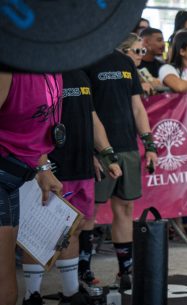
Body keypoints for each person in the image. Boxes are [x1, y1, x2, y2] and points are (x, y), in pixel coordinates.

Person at [20, 69, 123, 305]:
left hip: (81, 166)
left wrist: (107, 154)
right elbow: (31, 122)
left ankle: (70, 292)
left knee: (73, 228)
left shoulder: (81, 74)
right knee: (39, 231)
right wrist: (42, 165)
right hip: (51, 168)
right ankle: (31, 295)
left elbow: (92, 118)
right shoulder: (39, 74)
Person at [83, 34, 162, 290]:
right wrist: (94, 150)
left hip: (128, 146)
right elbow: (85, 110)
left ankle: (124, 272)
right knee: (89, 212)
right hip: (97, 148)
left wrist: (149, 144)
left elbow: (137, 107)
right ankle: (82, 271)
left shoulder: (125, 62)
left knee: (125, 209)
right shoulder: (84, 60)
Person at [0, 72, 65, 305]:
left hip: (15, 178)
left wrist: (43, 167)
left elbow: (37, 127)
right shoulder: (8, 68)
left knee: (7, 280)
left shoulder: (53, 70)